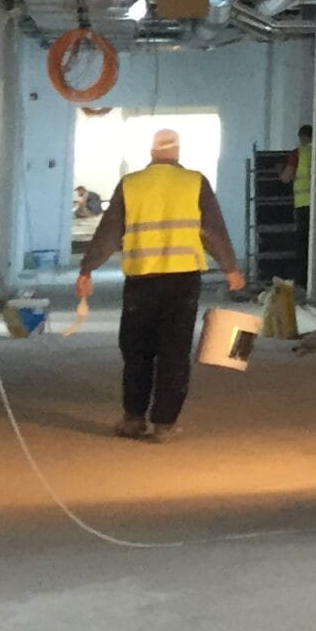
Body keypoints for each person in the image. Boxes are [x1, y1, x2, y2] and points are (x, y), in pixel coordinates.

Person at [76, 128, 244, 443]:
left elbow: (109, 232)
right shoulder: (194, 182)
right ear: (177, 152)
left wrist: (87, 268)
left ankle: (133, 418)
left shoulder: (132, 184)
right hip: (183, 280)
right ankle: (164, 424)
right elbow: (212, 230)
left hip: (142, 279)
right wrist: (230, 268)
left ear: (152, 152)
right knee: (174, 350)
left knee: (136, 350)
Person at [290, 124, 314, 248]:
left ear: (303, 137)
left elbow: (286, 177)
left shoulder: (298, 153)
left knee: (303, 240)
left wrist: (278, 169)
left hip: (302, 202)